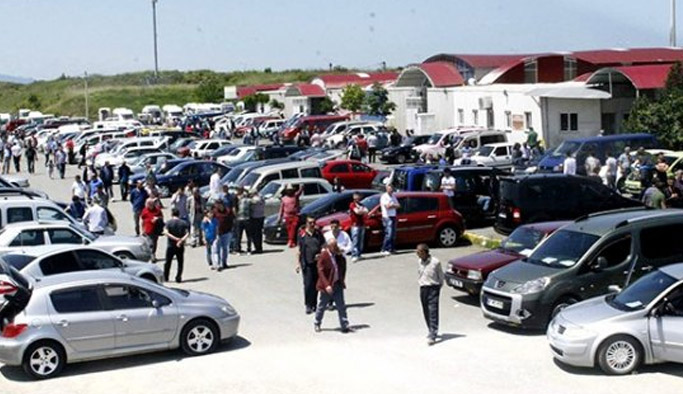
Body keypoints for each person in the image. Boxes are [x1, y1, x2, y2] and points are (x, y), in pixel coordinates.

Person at [313, 238, 352, 334]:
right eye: (333, 246)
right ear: (328, 246)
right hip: (327, 285)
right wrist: (326, 285)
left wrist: (341, 255)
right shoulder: (323, 256)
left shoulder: (338, 255)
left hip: (337, 284)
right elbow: (320, 271)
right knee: (322, 305)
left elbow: (343, 266)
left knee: (341, 306)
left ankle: (344, 324)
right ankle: (317, 322)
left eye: (336, 245)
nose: (335, 247)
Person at [296, 216, 325, 314]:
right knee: (308, 285)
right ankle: (308, 304)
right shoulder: (302, 234)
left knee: (316, 285)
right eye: (310, 223)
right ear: (306, 224)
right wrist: (298, 264)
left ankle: (314, 304)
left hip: (318, 263)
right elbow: (299, 250)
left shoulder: (318, 233)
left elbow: (323, 246)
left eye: (313, 222)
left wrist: (320, 255)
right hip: (307, 263)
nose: (312, 225)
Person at [416, 243, 444, 346]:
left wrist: (438, 287)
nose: (417, 254)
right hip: (423, 288)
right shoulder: (419, 261)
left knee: (433, 310)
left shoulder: (435, 262)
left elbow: (441, 276)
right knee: (425, 310)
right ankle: (430, 329)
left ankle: (433, 334)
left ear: (425, 252)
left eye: (419, 252)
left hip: (433, 287)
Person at [164, 208, 189, 283]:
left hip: (170, 245)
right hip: (180, 245)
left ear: (172, 214)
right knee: (180, 262)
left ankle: (166, 277)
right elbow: (187, 233)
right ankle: (178, 277)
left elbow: (166, 233)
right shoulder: (184, 223)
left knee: (168, 262)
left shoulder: (168, 223)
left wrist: (175, 239)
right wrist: (181, 240)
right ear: (179, 214)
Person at [278, 184, 303, 248]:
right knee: (289, 229)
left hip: (295, 215)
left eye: (291, 190)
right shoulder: (284, 199)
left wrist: (301, 187)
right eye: (288, 190)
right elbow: (281, 208)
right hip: (287, 216)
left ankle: (291, 241)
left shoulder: (295, 196)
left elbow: (300, 192)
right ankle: (291, 241)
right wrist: (279, 218)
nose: (290, 191)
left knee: (293, 228)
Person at [213, 199, 234, 270]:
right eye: (216, 204)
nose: (217, 206)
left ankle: (224, 262)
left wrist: (231, 229)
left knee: (225, 248)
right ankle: (217, 264)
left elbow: (232, 219)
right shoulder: (214, 212)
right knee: (216, 249)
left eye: (218, 204)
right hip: (217, 233)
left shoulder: (228, 211)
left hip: (227, 232)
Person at [380, 184, 400, 256]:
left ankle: (392, 249)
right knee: (389, 233)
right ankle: (384, 249)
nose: (391, 190)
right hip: (387, 217)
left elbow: (398, 205)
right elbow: (387, 206)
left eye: (391, 189)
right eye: (389, 189)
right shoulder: (384, 196)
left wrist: (392, 205)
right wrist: (393, 205)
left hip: (393, 216)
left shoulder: (393, 196)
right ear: (386, 189)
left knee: (393, 234)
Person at [349, 192, 368, 263]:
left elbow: (366, 211)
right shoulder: (352, 204)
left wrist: (361, 210)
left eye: (358, 196)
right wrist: (361, 211)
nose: (357, 198)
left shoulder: (362, 204)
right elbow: (357, 212)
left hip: (361, 224)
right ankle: (354, 255)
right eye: (356, 196)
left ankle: (359, 254)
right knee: (355, 240)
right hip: (355, 225)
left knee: (361, 240)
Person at [233, 187, 252, 254]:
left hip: (245, 218)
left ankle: (248, 248)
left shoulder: (245, 199)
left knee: (247, 235)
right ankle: (239, 249)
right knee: (239, 235)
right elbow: (234, 208)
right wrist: (236, 217)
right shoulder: (236, 198)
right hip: (241, 219)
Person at [248, 190, 265, 254]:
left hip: (255, 218)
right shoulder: (261, 198)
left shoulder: (255, 199)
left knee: (255, 234)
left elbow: (251, 202)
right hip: (261, 217)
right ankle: (259, 247)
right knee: (259, 234)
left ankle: (258, 248)